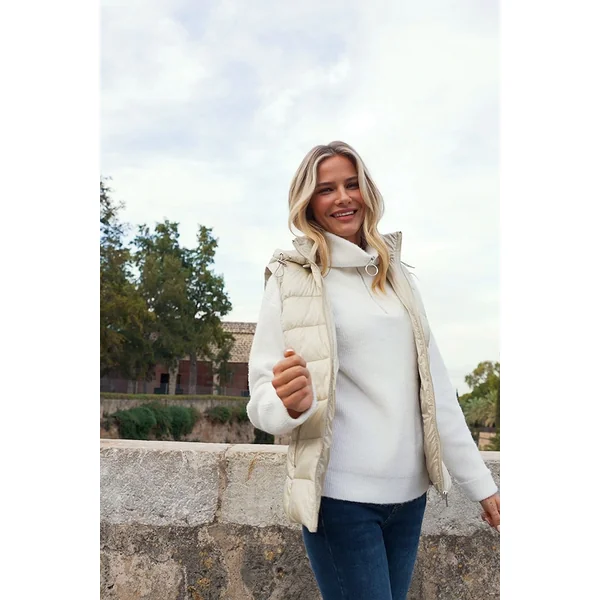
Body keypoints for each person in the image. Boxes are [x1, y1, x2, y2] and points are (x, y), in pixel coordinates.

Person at [246, 141, 500, 600]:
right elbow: (262, 398)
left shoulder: (398, 276)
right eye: (326, 189)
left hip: (410, 500)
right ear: (309, 203)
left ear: (368, 191)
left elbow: (437, 392)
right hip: (340, 501)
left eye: (352, 184)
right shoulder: (291, 278)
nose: (343, 197)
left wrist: (482, 485)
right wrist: (289, 405)